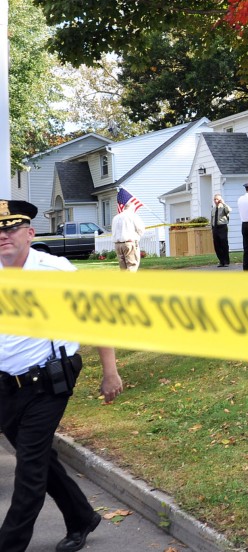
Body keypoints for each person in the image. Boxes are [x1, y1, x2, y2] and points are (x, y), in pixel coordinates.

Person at [0, 200, 124, 552]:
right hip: (6, 384)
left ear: (30, 233)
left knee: (29, 470)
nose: (3, 236)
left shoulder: (55, 271)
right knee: (36, 456)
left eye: (11, 229)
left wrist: (110, 371)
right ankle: (82, 516)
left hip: (48, 382)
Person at [110, 203, 145, 272]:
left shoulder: (116, 217)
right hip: (129, 243)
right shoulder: (133, 216)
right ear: (132, 209)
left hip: (117, 244)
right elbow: (141, 229)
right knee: (132, 265)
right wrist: (137, 236)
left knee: (123, 267)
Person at [211, 193, 231, 267]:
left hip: (222, 227)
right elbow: (212, 219)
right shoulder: (213, 209)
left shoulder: (224, 207)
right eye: (215, 199)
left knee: (224, 244)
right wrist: (212, 228)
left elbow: (229, 210)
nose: (216, 201)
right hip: (215, 228)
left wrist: (223, 203)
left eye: (217, 199)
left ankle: (226, 261)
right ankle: (221, 261)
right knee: (217, 245)